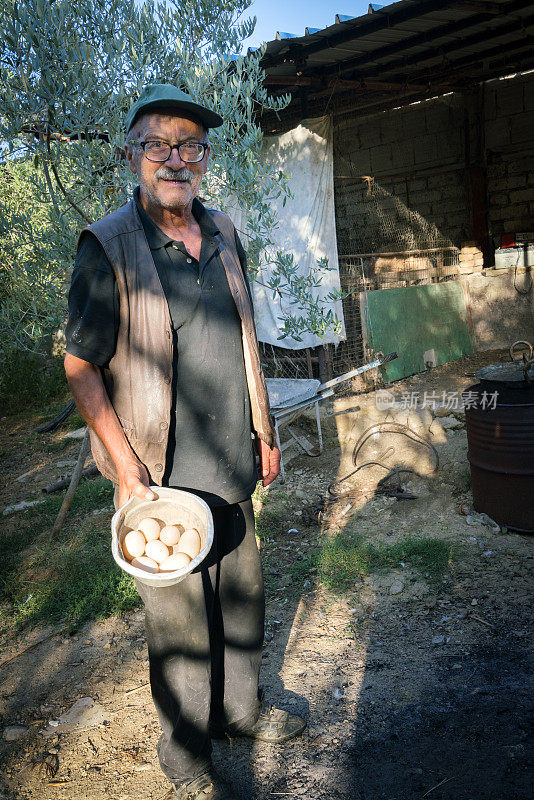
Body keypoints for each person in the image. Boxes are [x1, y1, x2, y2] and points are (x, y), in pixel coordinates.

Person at [63, 84, 305, 800]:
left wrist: (266, 429)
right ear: (131, 155)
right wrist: (127, 469)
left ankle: (239, 714)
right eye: (159, 144)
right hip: (159, 476)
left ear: (206, 156)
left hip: (232, 457)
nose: (176, 159)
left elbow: (242, 341)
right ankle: (186, 759)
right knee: (179, 629)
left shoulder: (225, 230)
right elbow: (81, 364)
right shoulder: (106, 246)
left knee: (242, 597)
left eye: (190, 145)